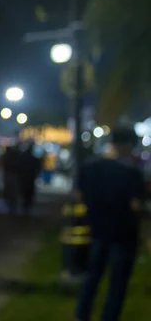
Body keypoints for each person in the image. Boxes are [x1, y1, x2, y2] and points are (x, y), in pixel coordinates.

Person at [74, 127, 145, 321]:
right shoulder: (132, 173)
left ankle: (82, 314)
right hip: (124, 234)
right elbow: (136, 205)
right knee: (118, 283)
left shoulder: (91, 167)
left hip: (97, 229)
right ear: (128, 145)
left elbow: (78, 195)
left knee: (92, 276)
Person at [19, 142, 42, 214]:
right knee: (29, 192)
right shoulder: (33, 158)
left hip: (25, 177)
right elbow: (38, 167)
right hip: (30, 177)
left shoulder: (24, 157)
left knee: (25, 192)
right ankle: (27, 206)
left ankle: (25, 206)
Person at [1, 145, 21, 214]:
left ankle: (10, 206)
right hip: (13, 175)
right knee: (13, 192)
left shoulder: (5, 157)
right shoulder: (15, 157)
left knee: (9, 191)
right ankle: (12, 206)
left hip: (9, 175)